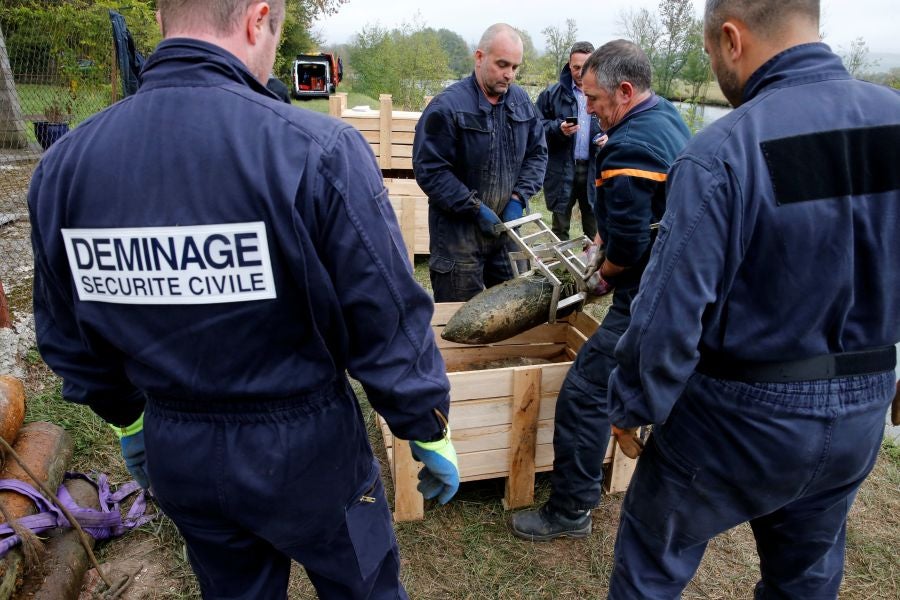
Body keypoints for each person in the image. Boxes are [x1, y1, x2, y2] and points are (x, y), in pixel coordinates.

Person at [28, 1, 460, 598]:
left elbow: (64, 333)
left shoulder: (63, 168)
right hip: (311, 455)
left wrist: (129, 417)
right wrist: (425, 423)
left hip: (180, 454)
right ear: (259, 19)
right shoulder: (317, 148)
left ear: (161, 20)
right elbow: (383, 312)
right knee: (365, 587)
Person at [604, 1, 900, 597]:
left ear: (732, 39)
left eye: (712, 52)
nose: (715, 66)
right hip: (859, 413)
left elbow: (668, 312)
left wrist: (634, 403)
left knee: (652, 560)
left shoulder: (725, 150)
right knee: (806, 579)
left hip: (738, 416)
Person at [510, 40, 689, 541]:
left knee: (586, 393)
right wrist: (605, 236)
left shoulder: (629, 147)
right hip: (677, 288)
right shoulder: (665, 117)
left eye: (592, 99)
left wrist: (602, 274)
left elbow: (630, 248)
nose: (586, 108)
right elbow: (646, 215)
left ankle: (570, 511)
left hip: (649, 296)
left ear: (625, 91)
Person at [413, 23, 547, 302]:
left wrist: (518, 197)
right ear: (479, 57)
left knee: (514, 310)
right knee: (459, 318)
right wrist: (474, 208)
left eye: (515, 67)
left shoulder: (522, 102)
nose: (509, 74)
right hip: (458, 235)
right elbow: (431, 170)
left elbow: (537, 153)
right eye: (502, 64)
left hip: (508, 232)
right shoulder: (447, 107)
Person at [535, 41, 605, 241]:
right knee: (560, 226)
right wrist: (558, 128)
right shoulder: (551, 94)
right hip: (561, 169)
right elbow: (535, 127)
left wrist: (610, 137)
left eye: (586, 67)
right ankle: (560, 269)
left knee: (594, 226)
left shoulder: (607, 92)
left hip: (594, 168)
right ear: (568, 64)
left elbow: (623, 125)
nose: (580, 72)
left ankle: (590, 269)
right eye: (576, 67)